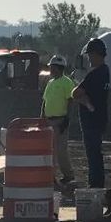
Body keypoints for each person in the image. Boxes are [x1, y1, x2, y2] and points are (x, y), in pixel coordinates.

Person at [68, 36, 110, 190]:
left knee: (93, 155)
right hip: (99, 119)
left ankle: (95, 186)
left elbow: (75, 93)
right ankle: (97, 185)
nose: (89, 59)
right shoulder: (105, 71)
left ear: (96, 54)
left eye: (90, 55)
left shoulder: (95, 74)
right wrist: (85, 100)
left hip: (91, 121)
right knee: (95, 154)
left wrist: (84, 100)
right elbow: (80, 94)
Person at [40, 54, 76, 188]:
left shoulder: (67, 82)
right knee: (50, 150)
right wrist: (41, 117)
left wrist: (67, 119)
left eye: (53, 67)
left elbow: (70, 101)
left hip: (60, 121)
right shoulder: (50, 83)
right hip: (49, 121)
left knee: (60, 150)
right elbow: (44, 101)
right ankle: (51, 176)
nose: (50, 70)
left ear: (59, 68)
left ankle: (68, 176)